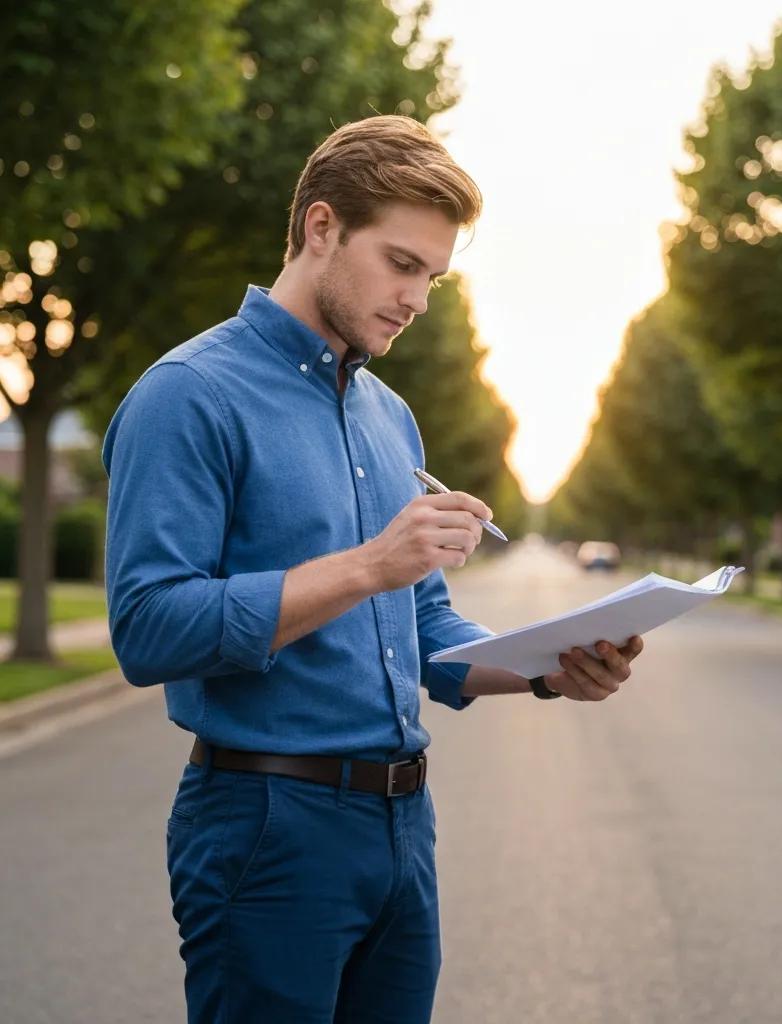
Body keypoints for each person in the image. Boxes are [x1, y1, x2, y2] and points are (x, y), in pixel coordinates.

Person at [102, 114, 645, 1024]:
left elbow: (426, 632)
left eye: (433, 277)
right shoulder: (187, 395)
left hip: (402, 830)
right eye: (401, 264)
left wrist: (553, 668)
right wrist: (367, 565)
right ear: (322, 228)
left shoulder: (390, 417)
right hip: (267, 824)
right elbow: (149, 627)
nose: (418, 299)